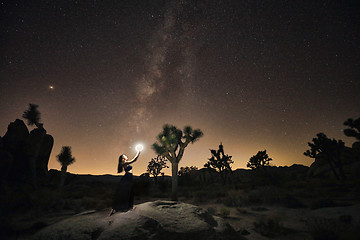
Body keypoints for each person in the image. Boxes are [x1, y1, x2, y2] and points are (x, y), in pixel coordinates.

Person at [108, 150, 141, 216]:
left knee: (130, 191)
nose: (126, 156)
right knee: (124, 192)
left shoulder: (125, 163)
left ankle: (129, 207)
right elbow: (134, 160)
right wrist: (138, 152)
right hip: (127, 177)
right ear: (123, 158)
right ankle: (114, 209)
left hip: (129, 177)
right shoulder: (124, 163)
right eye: (124, 156)